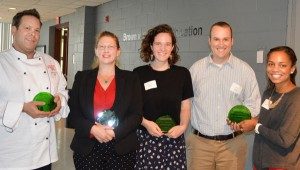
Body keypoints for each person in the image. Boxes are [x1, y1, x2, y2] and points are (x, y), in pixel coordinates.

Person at [0, 9, 69, 169]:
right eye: (27, 28)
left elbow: (63, 90)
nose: (33, 34)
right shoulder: (2, 63)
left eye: (37, 30)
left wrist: (60, 100)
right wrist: (23, 108)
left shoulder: (51, 62)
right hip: (11, 154)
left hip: (44, 154)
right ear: (13, 30)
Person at [187, 21, 261, 170]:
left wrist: (242, 123)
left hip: (233, 144)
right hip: (200, 145)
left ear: (232, 41)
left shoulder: (245, 71)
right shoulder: (195, 70)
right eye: (216, 39)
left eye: (225, 39)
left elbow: (253, 104)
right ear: (209, 41)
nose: (221, 44)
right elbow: (185, 104)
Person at [68, 31, 143, 169]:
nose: (106, 50)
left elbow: (136, 115)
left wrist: (114, 132)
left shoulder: (131, 79)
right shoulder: (82, 78)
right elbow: (73, 115)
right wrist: (92, 129)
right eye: (102, 46)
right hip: (88, 148)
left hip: (121, 148)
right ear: (96, 50)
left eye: (111, 47)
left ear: (118, 51)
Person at [134, 24, 194, 169]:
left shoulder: (182, 74)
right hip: (146, 140)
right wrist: (146, 123)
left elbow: (185, 106)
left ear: (173, 47)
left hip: (174, 140)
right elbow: (133, 108)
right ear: (151, 46)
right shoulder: (138, 74)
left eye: (167, 44)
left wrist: (183, 126)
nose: (163, 48)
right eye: (158, 44)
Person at [247, 46, 300, 170]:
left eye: (282, 65)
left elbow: (285, 139)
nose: (275, 69)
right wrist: (244, 123)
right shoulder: (269, 93)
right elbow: (264, 121)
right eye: (271, 64)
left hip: (282, 165)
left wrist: (255, 126)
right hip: (260, 164)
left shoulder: (296, 97)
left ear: (292, 69)